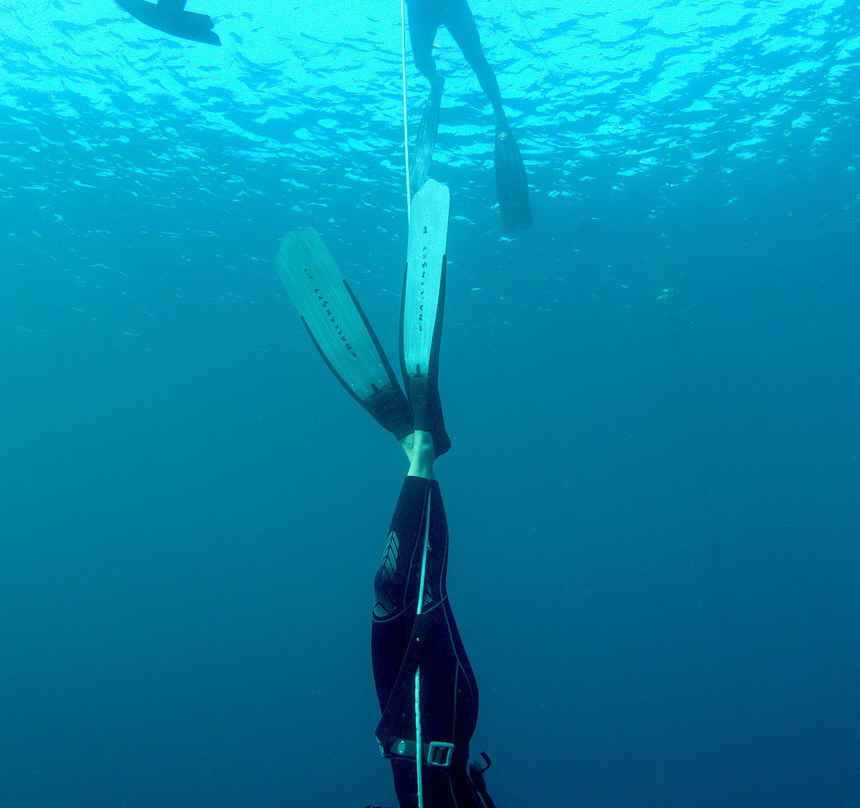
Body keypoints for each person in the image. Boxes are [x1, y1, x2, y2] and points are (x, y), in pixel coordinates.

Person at [276, 180, 499, 808]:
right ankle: (422, 457)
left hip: (399, 722)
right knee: (421, 590)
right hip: (442, 718)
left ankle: (418, 450)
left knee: (384, 592)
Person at [405, 0, 533, 232]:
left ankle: (499, 115)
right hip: (420, 5)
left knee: (477, 60)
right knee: (421, 63)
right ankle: (435, 81)